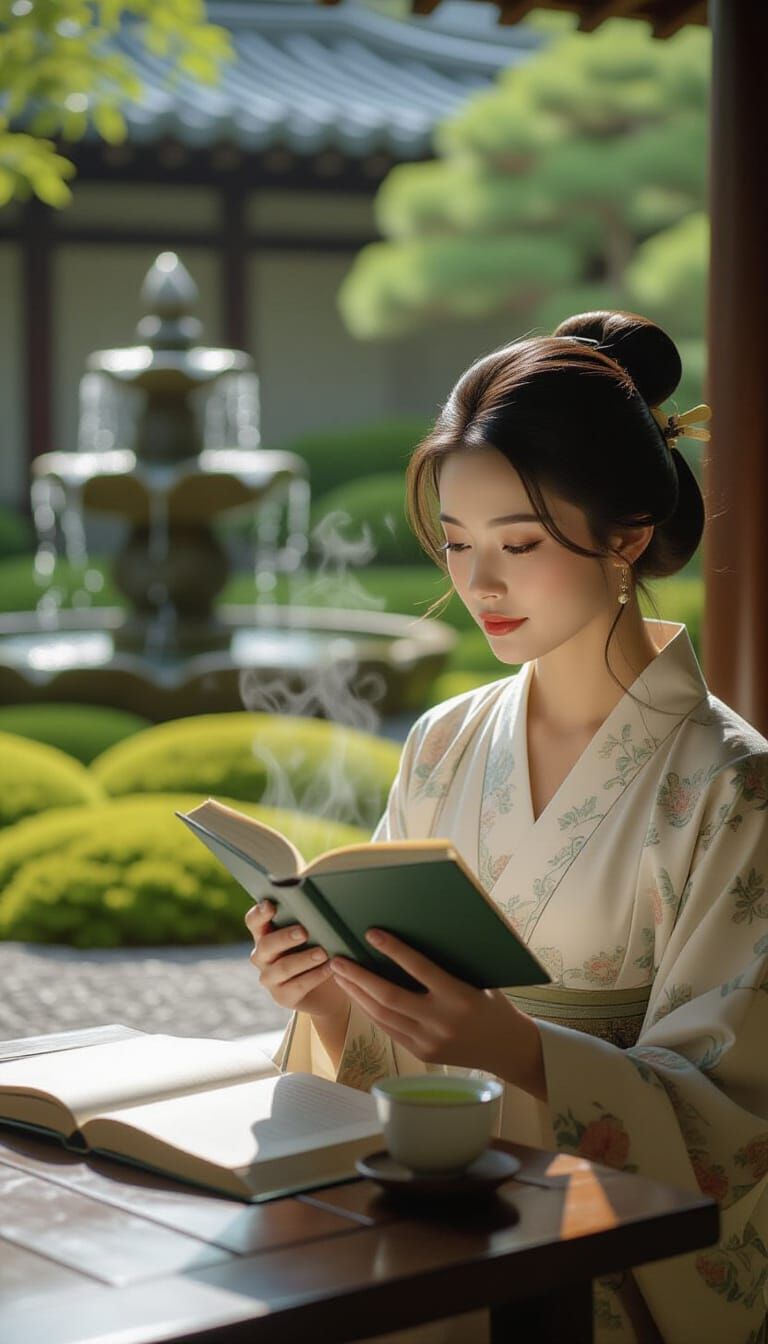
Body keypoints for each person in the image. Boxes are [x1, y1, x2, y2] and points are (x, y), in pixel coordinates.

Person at [246, 311, 768, 1344]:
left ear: (626, 535)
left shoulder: (731, 782)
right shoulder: (442, 742)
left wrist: (525, 1055)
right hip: (427, 1203)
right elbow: (382, 1029)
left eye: (519, 544)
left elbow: (733, 1123)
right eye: (455, 544)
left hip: (598, 1243)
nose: (477, 584)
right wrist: (331, 1002)